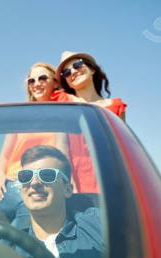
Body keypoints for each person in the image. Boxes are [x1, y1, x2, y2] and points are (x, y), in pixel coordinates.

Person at [0, 63, 69, 228]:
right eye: (31, 80)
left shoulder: (61, 113)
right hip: (15, 181)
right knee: (29, 208)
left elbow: (61, 153)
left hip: (45, 180)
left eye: (42, 78)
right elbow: (5, 155)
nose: (36, 84)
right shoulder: (19, 115)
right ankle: (9, 253)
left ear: (56, 82)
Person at [13, 145, 104, 258]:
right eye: (26, 176)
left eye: (47, 175)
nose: (34, 183)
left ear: (67, 189)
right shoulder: (8, 245)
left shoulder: (98, 224)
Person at [55, 51, 128, 193]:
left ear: (93, 69)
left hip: (111, 179)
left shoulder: (116, 106)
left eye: (77, 65)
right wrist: (66, 179)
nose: (73, 72)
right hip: (76, 183)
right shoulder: (63, 101)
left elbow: (122, 149)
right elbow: (61, 145)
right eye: (66, 72)